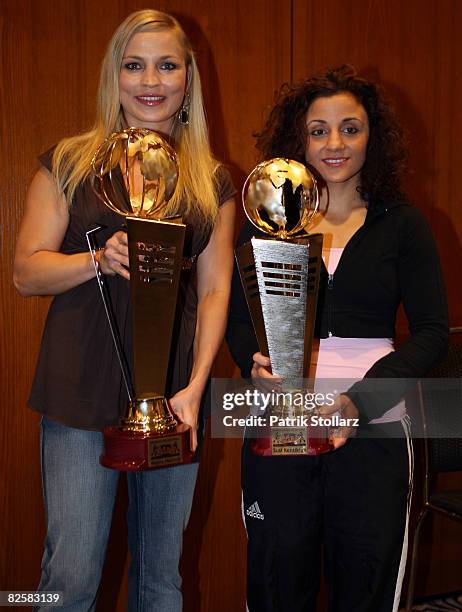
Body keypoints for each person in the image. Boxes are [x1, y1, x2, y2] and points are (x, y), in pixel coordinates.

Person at [14, 9, 235, 612]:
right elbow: (26, 272)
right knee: (70, 578)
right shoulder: (69, 163)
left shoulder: (211, 181)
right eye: (134, 65)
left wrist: (194, 388)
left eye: (167, 65)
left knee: (161, 580)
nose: (150, 81)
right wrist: (97, 260)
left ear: (188, 78)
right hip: (78, 393)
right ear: (114, 75)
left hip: (174, 401)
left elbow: (214, 291)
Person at [226, 65, 448, 612]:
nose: (334, 144)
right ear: (298, 140)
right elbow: (236, 320)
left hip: (373, 432)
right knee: (279, 586)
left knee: (366, 590)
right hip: (280, 425)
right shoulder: (268, 225)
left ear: (374, 137)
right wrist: (250, 360)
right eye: (318, 129)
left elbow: (432, 333)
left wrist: (361, 400)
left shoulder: (404, 225)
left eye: (350, 128)